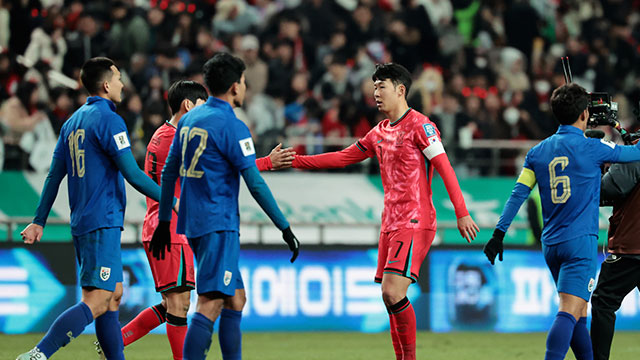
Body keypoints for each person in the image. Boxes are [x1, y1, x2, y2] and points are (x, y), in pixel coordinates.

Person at [290, 62, 479, 360]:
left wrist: (462, 211)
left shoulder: (421, 126)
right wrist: (296, 161)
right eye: (374, 86)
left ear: (400, 90)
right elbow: (342, 158)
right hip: (390, 223)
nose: (375, 93)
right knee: (388, 297)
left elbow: (444, 167)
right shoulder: (378, 132)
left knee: (393, 292)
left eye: (382, 87)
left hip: (416, 218)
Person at [113, 80, 295, 360]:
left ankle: (115, 341)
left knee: (173, 303)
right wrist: (266, 163)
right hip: (173, 228)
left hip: (163, 225)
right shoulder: (179, 138)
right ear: (188, 105)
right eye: (201, 104)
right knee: (180, 304)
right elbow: (216, 170)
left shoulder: (161, 135)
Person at [17, 57, 175, 360]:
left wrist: (39, 220)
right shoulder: (110, 120)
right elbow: (132, 173)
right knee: (99, 298)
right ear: (105, 85)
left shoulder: (72, 122)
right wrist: (172, 200)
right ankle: (38, 355)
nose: (122, 84)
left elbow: (54, 176)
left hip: (86, 220)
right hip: (101, 219)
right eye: (117, 78)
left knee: (113, 296)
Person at [483, 83, 640, 360]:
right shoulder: (594, 148)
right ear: (584, 115)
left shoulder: (537, 152)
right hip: (580, 244)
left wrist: (499, 233)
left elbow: (518, 194)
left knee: (579, 314)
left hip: (551, 244)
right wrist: (624, 137)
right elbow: (633, 155)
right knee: (569, 311)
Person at [591, 158, 640, 360]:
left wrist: (601, 164)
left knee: (604, 302)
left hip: (632, 246)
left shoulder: (635, 154)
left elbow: (605, 191)